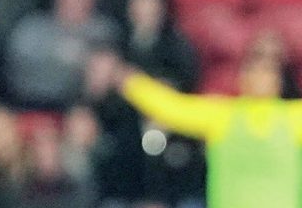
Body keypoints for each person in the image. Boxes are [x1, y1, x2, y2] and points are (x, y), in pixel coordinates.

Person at [117, 47, 302, 208]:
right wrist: (130, 82)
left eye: (267, 72)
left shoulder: (294, 119)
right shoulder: (222, 116)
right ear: (241, 77)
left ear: (280, 80)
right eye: (253, 71)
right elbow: (174, 108)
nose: (259, 78)